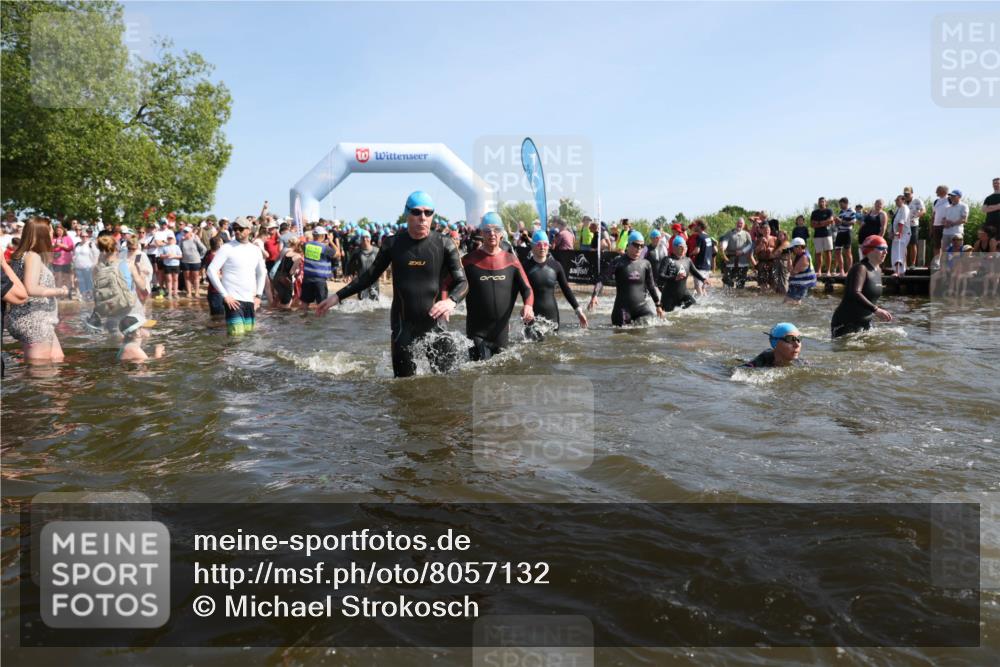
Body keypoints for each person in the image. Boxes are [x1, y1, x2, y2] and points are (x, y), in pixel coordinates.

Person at [317, 191, 468, 378]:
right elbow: (369, 276)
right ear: (407, 213)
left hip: (437, 326)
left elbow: (463, 282)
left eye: (428, 213)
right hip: (403, 328)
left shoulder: (444, 243)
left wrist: (451, 301)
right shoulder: (393, 243)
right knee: (403, 389)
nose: (423, 217)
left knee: (447, 384)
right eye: (417, 212)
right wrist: (337, 297)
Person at [455, 213, 535, 361]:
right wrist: (446, 304)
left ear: (502, 233)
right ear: (481, 233)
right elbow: (447, 283)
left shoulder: (512, 261)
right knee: (478, 375)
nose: (492, 234)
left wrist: (528, 306)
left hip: (501, 335)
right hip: (476, 333)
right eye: (487, 230)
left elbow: (527, 289)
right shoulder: (468, 261)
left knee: (500, 378)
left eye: (496, 229)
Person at [6, 218, 69, 362]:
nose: (53, 233)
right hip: (34, 321)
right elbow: (31, 288)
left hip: (37, 318)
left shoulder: (22, 255)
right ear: (42, 233)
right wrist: (60, 291)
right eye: (51, 230)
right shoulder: (32, 256)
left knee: (57, 359)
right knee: (41, 373)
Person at [206, 217, 267, 336]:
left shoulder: (255, 250)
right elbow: (211, 271)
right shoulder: (227, 248)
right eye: (235, 228)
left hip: (250, 300)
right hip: (233, 301)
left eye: (240, 228)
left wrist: (259, 296)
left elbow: (261, 273)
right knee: (237, 338)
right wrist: (225, 295)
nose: (237, 231)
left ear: (249, 230)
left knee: (249, 338)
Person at [588, 230, 662, 325]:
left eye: (641, 246)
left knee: (651, 325)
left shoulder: (645, 264)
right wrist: (594, 296)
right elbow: (602, 278)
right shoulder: (618, 262)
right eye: (636, 245)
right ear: (629, 244)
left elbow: (651, 286)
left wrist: (658, 305)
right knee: (622, 336)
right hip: (623, 310)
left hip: (641, 308)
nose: (639, 248)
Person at [524, 229, 587, 337]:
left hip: (552, 315)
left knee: (553, 346)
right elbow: (514, 291)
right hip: (531, 315)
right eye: (539, 244)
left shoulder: (556, 266)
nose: (542, 247)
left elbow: (566, 289)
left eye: (545, 244)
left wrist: (578, 310)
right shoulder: (525, 267)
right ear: (533, 246)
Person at [831, 235, 893, 338]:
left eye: (886, 249)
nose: (885, 252)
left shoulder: (878, 270)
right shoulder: (860, 268)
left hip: (865, 322)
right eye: (881, 248)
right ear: (869, 250)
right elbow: (855, 293)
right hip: (846, 322)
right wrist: (876, 310)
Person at [657, 235, 709, 312]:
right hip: (669, 297)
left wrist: (703, 279)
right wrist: (674, 278)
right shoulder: (667, 260)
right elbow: (660, 276)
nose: (683, 249)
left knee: (696, 310)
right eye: (681, 247)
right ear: (674, 248)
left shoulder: (687, 260)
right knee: (668, 318)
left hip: (683, 294)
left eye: (685, 246)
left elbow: (694, 271)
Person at [300, 225, 339, 310]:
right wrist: (331, 241)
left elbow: (303, 248)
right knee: (322, 304)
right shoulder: (324, 248)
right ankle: (321, 322)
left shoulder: (306, 245)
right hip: (319, 280)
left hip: (307, 279)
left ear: (313, 235)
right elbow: (337, 254)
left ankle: (303, 320)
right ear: (323, 236)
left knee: (305, 302)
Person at [741, 322, 805, 368]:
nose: (797, 345)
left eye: (799, 338)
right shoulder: (759, 363)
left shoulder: (802, 363)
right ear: (775, 343)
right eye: (790, 339)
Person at [719, 218, 753, 288]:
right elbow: (725, 241)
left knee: (740, 283)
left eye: (741, 223)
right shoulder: (729, 233)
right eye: (738, 223)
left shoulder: (747, 234)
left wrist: (742, 251)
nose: (739, 225)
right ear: (736, 223)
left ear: (743, 225)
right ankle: (729, 297)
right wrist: (723, 246)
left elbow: (750, 245)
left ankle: (739, 297)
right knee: (728, 282)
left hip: (742, 261)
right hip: (730, 260)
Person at [346, 230, 379, 300]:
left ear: (370, 238)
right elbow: (349, 263)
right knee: (362, 301)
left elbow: (384, 262)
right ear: (360, 239)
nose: (365, 239)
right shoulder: (357, 252)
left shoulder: (377, 251)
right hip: (361, 280)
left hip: (374, 281)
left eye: (367, 237)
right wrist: (349, 274)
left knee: (375, 302)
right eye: (363, 237)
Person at [272, 237, 302, 309]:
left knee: (278, 299)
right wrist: (298, 273)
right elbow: (291, 272)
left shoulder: (287, 253)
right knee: (286, 303)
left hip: (277, 277)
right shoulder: (298, 256)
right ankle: (283, 319)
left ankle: (272, 315)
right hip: (285, 280)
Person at [785, 238, 817, 304]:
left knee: (791, 304)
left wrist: (789, 258)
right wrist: (789, 258)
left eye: (793, 248)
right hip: (797, 284)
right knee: (788, 303)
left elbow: (792, 272)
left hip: (801, 285)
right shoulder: (798, 255)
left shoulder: (804, 258)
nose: (792, 250)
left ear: (799, 247)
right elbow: (789, 269)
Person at [179, 226, 207, 298]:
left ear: (190, 233)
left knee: (196, 277)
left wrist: (200, 256)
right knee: (187, 277)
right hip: (185, 261)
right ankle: (189, 292)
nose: (185, 233)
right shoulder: (182, 241)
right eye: (184, 232)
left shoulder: (195, 239)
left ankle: (197, 292)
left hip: (195, 261)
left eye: (186, 232)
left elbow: (204, 249)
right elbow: (179, 250)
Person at [810, 196, 835, 277]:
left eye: (823, 201)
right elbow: (812, 224)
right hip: (817, 235)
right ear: (818, 203)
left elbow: (831, 220)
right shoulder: (814, 212)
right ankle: (819, 270)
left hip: (827, 234)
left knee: (828, 252)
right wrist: (824, 223)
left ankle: (828, 271)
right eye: (820, 202)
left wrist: (819, 223)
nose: (821, 203)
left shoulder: (829, 211)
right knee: (818, 253)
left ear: (825, 203)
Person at [72, 230, 99, 301]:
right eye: (83, 236)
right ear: (80, 236)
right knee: (81, 282)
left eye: (86, 236)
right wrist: (74, 265)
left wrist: (94, 265)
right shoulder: (77, 244)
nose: (85, 237)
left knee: (89, 282)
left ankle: (90, 297)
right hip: (78, 267)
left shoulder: (91, 244)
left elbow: (96, 255)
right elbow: (74, 255)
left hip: (88, 267)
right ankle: (84, 296)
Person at [903, 186, 925, 268]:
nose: (906, 195)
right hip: (904, 226)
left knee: (913, 244)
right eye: (905, 193)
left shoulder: (917, 201)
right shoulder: (902, 201)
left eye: (908, 193)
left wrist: (916, 216)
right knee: (904, 244)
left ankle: (912, 263)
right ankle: (904, 263)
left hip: (913, 225)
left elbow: (923, 210)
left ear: (912, 193)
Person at [929, 185, 951, 269]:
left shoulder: (949, 199)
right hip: (936, 225)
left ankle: (946, 263)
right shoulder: (936, 201)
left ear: (943, 191)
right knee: (937, 245)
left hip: (946, 226)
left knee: (946, 245)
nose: (936, 192)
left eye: (937, 190)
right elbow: (933, 215)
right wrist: (931, 227)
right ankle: (937, 262)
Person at [890, 194, 911, 276]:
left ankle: (899, 272)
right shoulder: (898, 209)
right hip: (897, 234)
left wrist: (899, 232)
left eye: (898, 200)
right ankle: (899, 271)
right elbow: (894, 222)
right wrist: (892, 232)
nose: (896, 202)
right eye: (895, 200)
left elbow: (902, 221)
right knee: (896, 252)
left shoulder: (904, 208)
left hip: (903, 233)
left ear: (903, 200)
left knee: (899, 252)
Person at [833, 197, 855, 276]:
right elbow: (839, 224)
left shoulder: (852, 211)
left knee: (847, 253)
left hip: (847, 232)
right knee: (837, 251)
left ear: (846, 203)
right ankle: (841, 271)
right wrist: (836, 222)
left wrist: (841, 221)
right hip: (840, 233)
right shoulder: (841, 211)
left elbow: (852, 222)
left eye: (841, 204)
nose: (840, 206)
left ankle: (850, 271)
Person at [51, 224, 75, 293]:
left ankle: (68, 292)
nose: (59, 232)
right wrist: (56, 246)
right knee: (58, 278)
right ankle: (59, 292)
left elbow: (70, 247)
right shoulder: (54, 238)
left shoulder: (67, 238)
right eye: (57, 230)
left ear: (63, 230)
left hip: (66, 261)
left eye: (60, 230)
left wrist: (60, 245)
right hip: (56, 262)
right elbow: (50, 248)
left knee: (67, 277)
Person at [752, 221, 776, 290]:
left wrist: (772, 249)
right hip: (762, 263)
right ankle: (763, 296)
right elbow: (755, 252)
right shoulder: (758, 240)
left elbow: (779, 250)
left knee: (773, 283)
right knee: (762, 283)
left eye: (768, 230)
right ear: (762, 231)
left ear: (770, 230)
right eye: (765, 230)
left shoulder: (775, 239)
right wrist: (761, 245)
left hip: (772, 263)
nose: (766, 231)